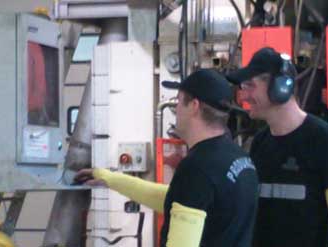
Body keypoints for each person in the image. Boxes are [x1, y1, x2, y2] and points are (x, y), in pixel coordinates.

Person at [76, 69, 259, 247]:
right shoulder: (239, 158)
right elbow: (177, 199)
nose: (175, 109)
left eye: (178, 101)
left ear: (194, 106)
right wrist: (110, 179)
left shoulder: (198, 167)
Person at [226, 47, 328, 247]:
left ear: (281, 87)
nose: (244, 96)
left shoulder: (326, 141)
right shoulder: (260, 143)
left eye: (250, 86)